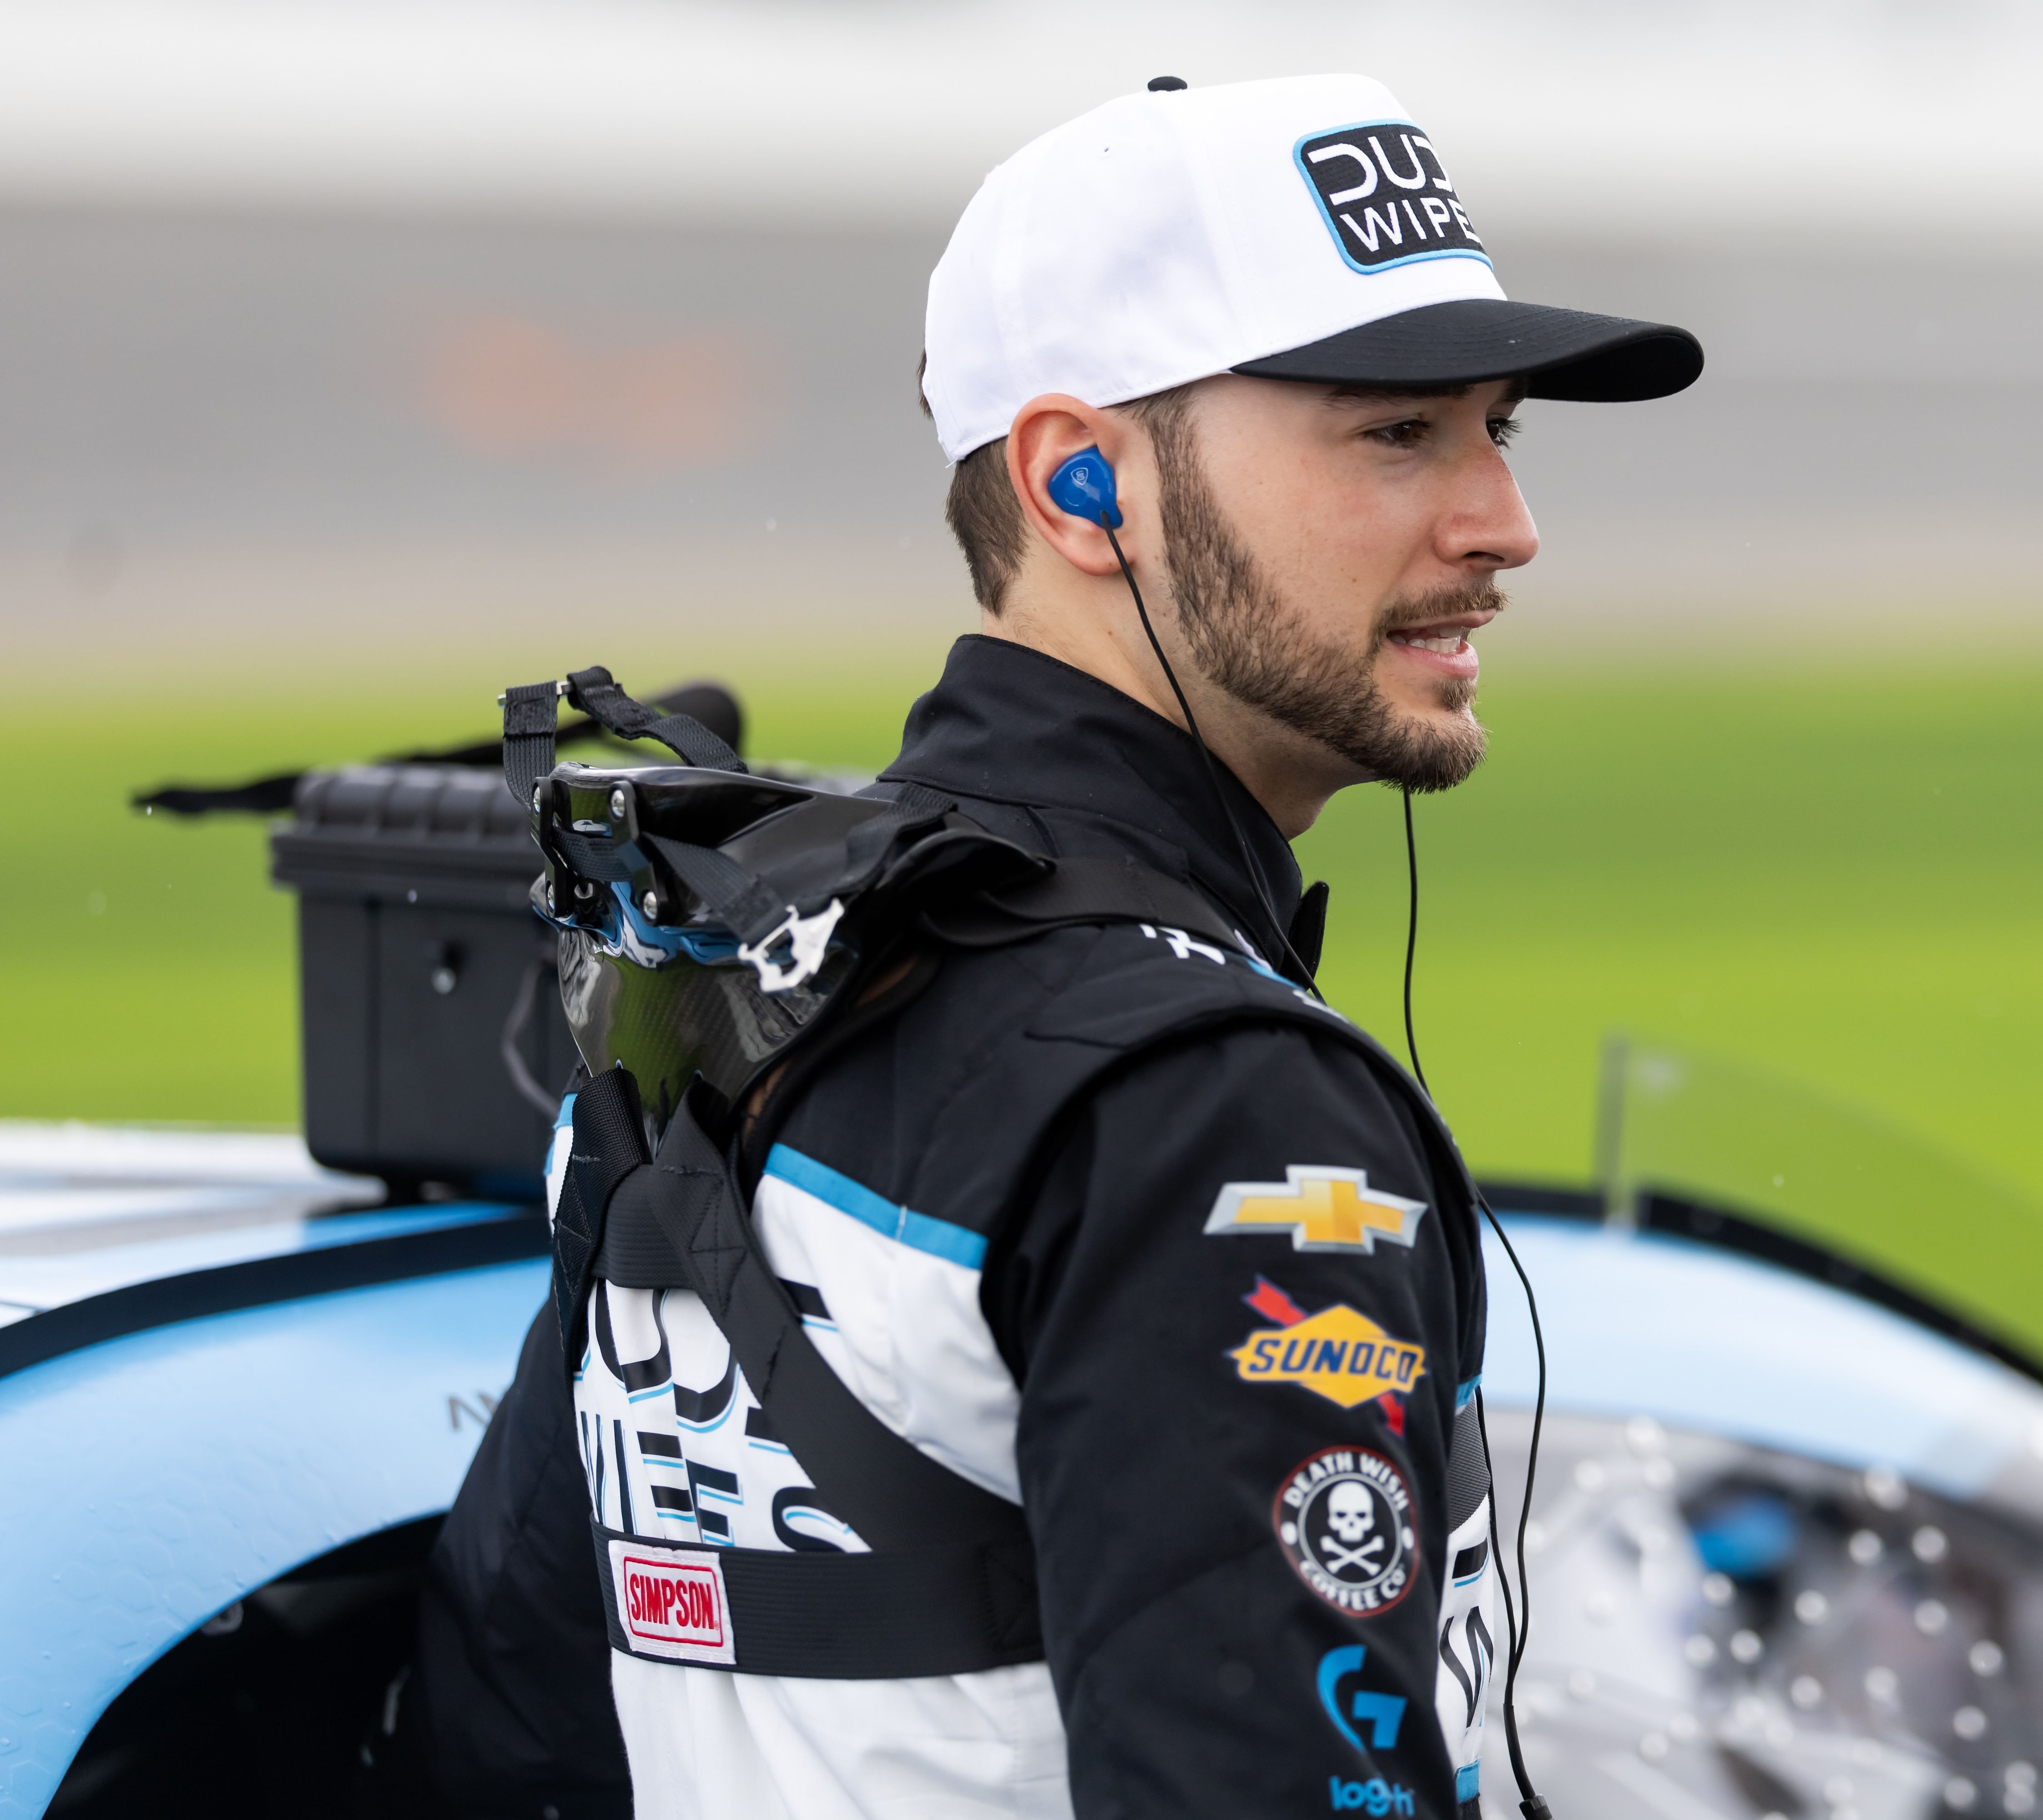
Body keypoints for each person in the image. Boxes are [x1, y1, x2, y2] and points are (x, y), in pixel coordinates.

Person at [414, 71, 1699, 1820]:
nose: (1501, 524)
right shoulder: (1211, 1108)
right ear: (1080, 483)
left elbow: (515, 1708)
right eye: (1396, 433)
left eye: (1500, 429)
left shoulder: (724, 955)